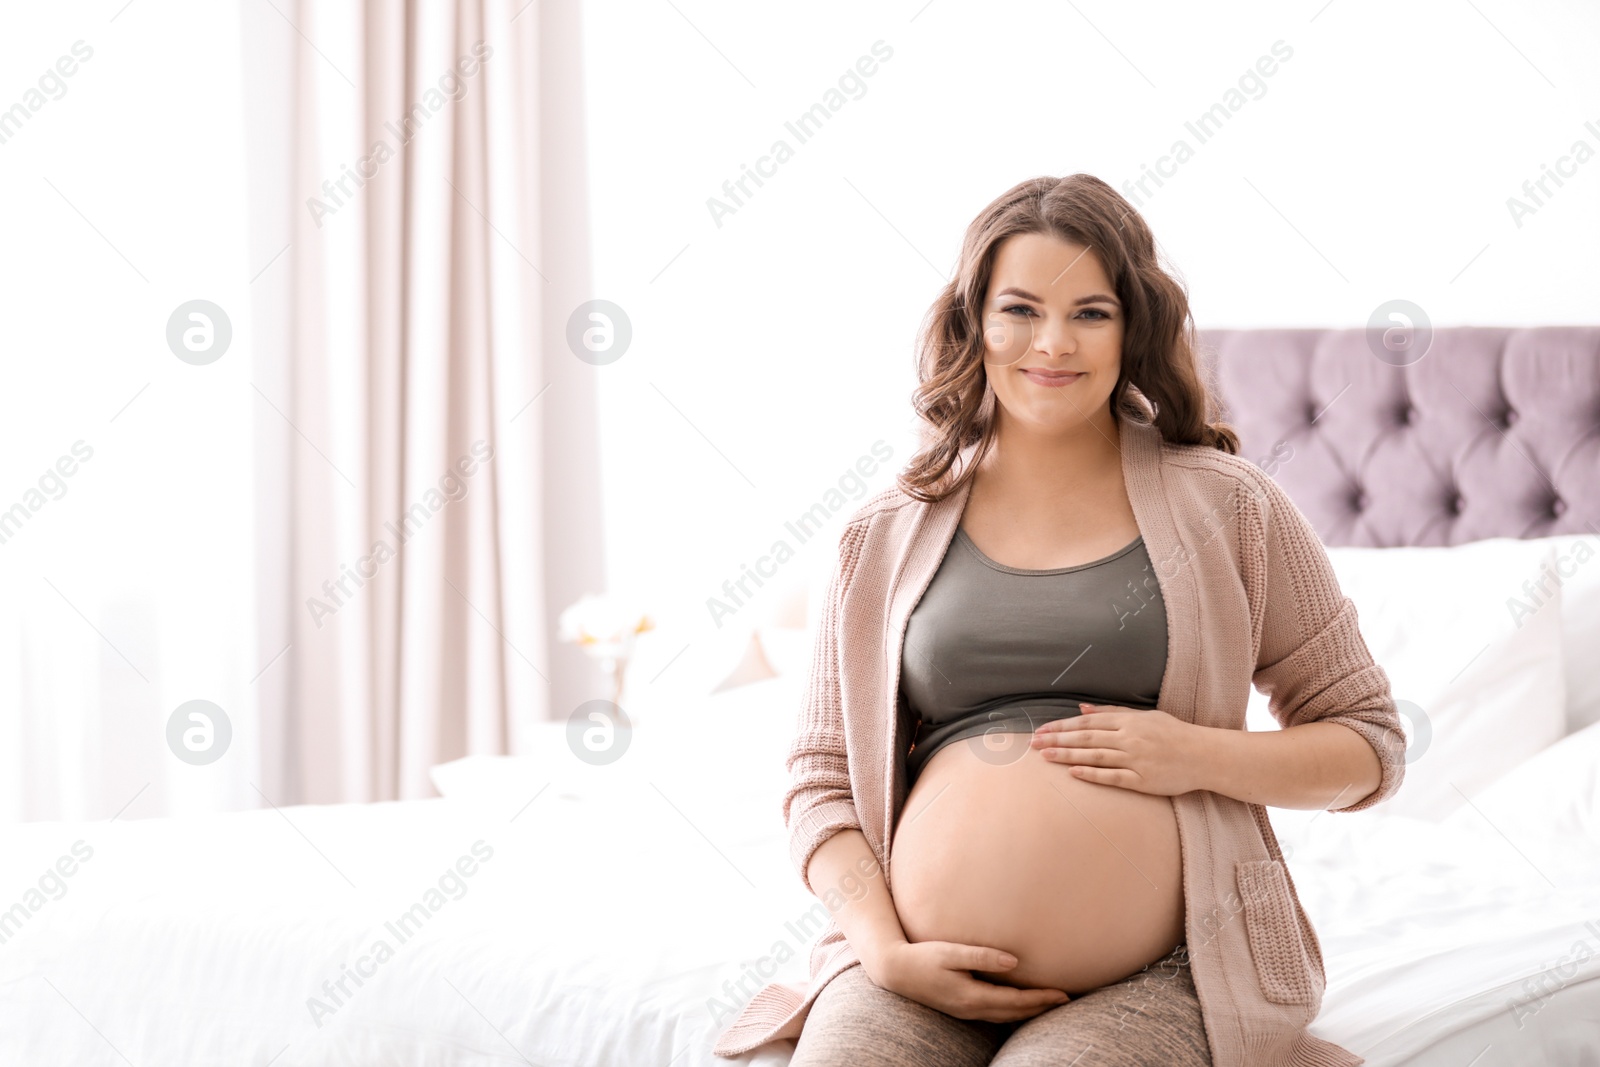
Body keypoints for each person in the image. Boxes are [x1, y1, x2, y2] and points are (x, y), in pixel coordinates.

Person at [713, 173, 1402, 1067]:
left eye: (1090, 312)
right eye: (1020, 309)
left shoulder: (1229, 507)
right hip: (915, 967)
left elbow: (1368, 745)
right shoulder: (880, 533)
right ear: (974, 323)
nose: (1052, 343)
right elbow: (819, 779)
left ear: (1132, 329)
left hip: (1165, 969)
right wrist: (886, 951)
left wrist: (1194, 753)